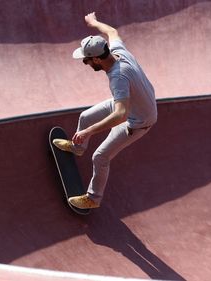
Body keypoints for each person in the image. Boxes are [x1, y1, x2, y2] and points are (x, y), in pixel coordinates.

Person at [53, 12, 157, 209]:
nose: (86, 64)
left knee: (100, 157)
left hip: (138, 120)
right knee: (85, 116)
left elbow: (121, 114)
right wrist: (93, 23)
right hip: (131, 103)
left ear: (97, 60)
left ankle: (93, 199)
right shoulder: (118, 50)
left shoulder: (118, 77)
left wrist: (88, 131)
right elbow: (112, 31)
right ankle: (78, 148)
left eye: (86, 60)